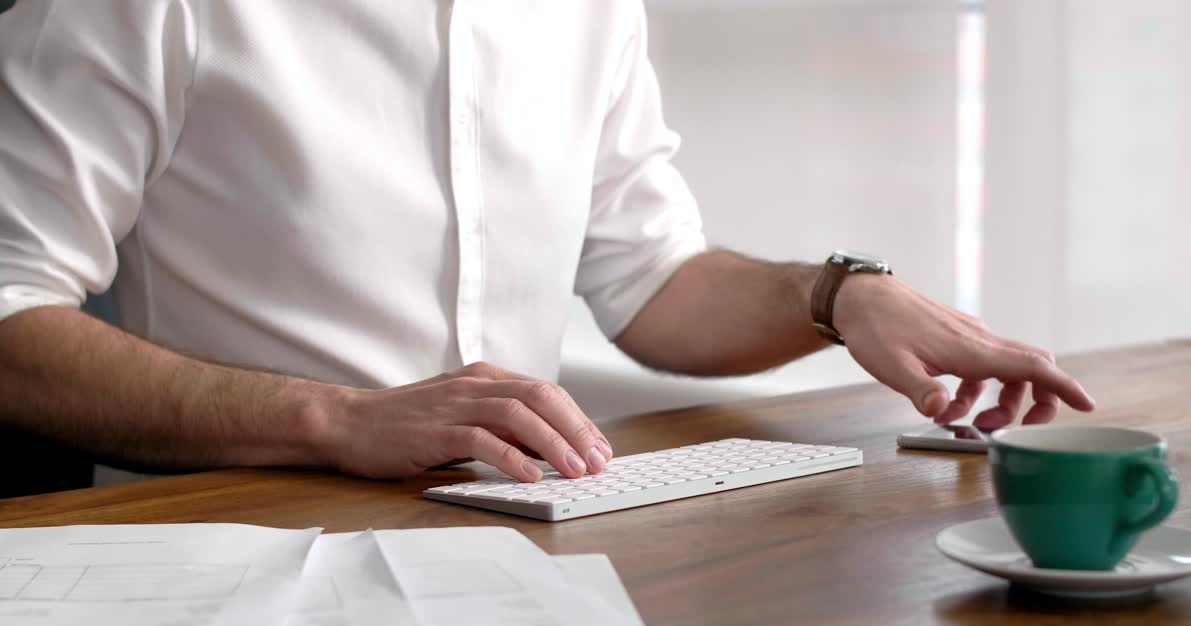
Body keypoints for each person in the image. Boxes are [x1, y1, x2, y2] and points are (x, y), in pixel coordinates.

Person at [0, 1, 1093, 487]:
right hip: (230, 550)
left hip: (528, 547)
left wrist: (834, 296)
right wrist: (334, 418)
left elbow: (648, 277)